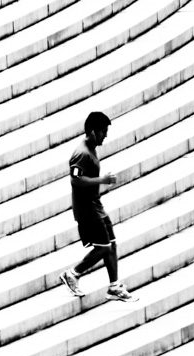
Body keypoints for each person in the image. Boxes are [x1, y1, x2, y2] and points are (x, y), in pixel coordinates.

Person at [59, 111, 137, 301]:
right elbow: (75, 180)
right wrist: (101, 180)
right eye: (103, 131)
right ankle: (73, 274)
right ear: (93, 132)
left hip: (95, 205)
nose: (106, 135)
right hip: (87, 209)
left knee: (111, 243)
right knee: (103, 247)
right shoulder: (81, 153)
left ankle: (114, 286)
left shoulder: (91, 148)